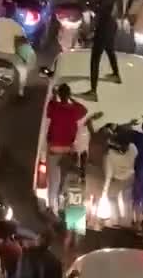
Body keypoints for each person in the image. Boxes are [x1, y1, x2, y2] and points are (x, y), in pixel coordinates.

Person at [44, 83, 87, 212]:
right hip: (68, 152)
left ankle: (53, 210)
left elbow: (49, 107)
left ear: (60, 94)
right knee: (71, 184)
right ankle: (71, 213)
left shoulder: (55, 107)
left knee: (54, 183)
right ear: (68, 95)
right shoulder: (73, 110)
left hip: (54, 150)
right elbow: (84, 110)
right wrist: (71, 98)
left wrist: (55, 95)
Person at [82, 0, 122, 101]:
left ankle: (93, 91)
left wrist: (89, 6)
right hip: (112, 26)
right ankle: (116, 75)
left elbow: (98, 13)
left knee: (95, 59)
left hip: (104, 28)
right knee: (110, 50)